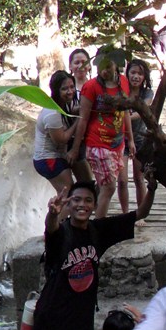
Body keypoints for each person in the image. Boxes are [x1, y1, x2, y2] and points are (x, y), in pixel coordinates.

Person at [26, 177, 156, 330]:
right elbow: (51, 228)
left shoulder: (99, 231)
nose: (82, 205)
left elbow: (141, 213)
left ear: (95, 205)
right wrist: (53, 214)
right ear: (68, 204)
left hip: (78, 329)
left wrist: (152, 187)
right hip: (50, 327)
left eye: (88, 200)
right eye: (76, 200)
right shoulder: (61, 233)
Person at [68, 48, 136, 217]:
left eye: (108, 66)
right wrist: (75, 149)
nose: (104, 71)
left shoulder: (123, 82)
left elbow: (126, 112)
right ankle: (98, 227)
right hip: (98, 143)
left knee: (105, 186)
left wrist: (130, 139)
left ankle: (93, 220)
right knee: (109, 187)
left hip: (117, 143)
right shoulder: (91, 87)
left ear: (116, 65)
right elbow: (83, 119)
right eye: (101, 66)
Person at [32, 70, 77, 194]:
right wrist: (78, 121)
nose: (70, 91)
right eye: (64, 89)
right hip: (47, 159)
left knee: (65, 193)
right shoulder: (52, 112)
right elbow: (61, 139)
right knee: (67, 192)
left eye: (72, 87)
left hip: (53, 157)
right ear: (56, 90)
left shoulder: (62, 105)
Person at [125, 58, 155, 206]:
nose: (136, 76)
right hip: (122, 138)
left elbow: (143, 109)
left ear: (144, 77)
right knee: (121, 181)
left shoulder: (147, 93)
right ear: (127, 74)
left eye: (140, 74)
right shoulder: (122, 92)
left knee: (139, 178)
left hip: (140, 138)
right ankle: (125, 213)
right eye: (133, 72)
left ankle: (141, 211)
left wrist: (125, 117)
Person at [67, 48, 93, 182]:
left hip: (95, 137)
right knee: (84, 180)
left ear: (89, 65)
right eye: (76, 62)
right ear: (70, 66)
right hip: (73, 139)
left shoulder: (95, 86)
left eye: (84, 62)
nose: (80, 66)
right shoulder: (66, 88)